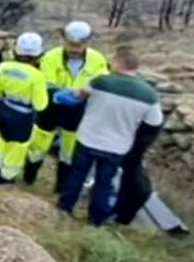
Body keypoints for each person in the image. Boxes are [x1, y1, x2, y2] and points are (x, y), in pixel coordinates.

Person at [57, 46, 164, 226]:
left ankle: (64, 207)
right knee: (104, 183)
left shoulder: (99, 82)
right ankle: (95, 220)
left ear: (117, 63)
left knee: (77, 175)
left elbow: (78, 97)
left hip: (87, 139)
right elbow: (154, 123)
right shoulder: (150, 95)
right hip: (117, 146)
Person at [23, 20, 110, 192]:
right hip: (51, 107)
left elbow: (101, 83)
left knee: (69, 152)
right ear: (64, 39)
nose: (74, 49)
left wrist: (84, 94)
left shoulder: (97, 60)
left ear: (87, 41)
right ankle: (28, 178)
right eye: (71, 44)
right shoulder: (51, 56)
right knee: (38, 146)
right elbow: (45, 81)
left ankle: (60, 187)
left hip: (77, 110)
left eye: (79, 45)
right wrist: (57, 93)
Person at [0, 32, 49, 185]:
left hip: (4, 111)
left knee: (1, 140)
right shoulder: (37, 75)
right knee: (17, 148)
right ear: (38, 54)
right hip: (23, 118)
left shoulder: (3, 67)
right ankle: (6, 176)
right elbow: (40, 105)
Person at [112, 118, 165, 226]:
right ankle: (121, 219)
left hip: (129, 155)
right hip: (131, 156)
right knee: (138, 188)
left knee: (132, 184)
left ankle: (120, 216)